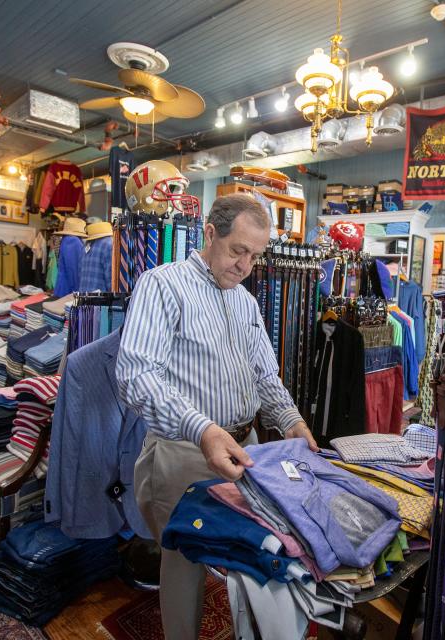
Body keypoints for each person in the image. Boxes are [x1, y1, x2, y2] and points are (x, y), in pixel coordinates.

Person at [115, 191, 317, 640]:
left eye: (255, 256)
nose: (245, 265)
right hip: (185, 451)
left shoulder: (245, 301)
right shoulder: (162, 285)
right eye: (237, 250)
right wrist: (200, 427)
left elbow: (265, 372)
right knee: (184, 561)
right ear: (210, 234)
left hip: (245, 450)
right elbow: (135, 374)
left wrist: (290, 420)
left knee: (248, 551)